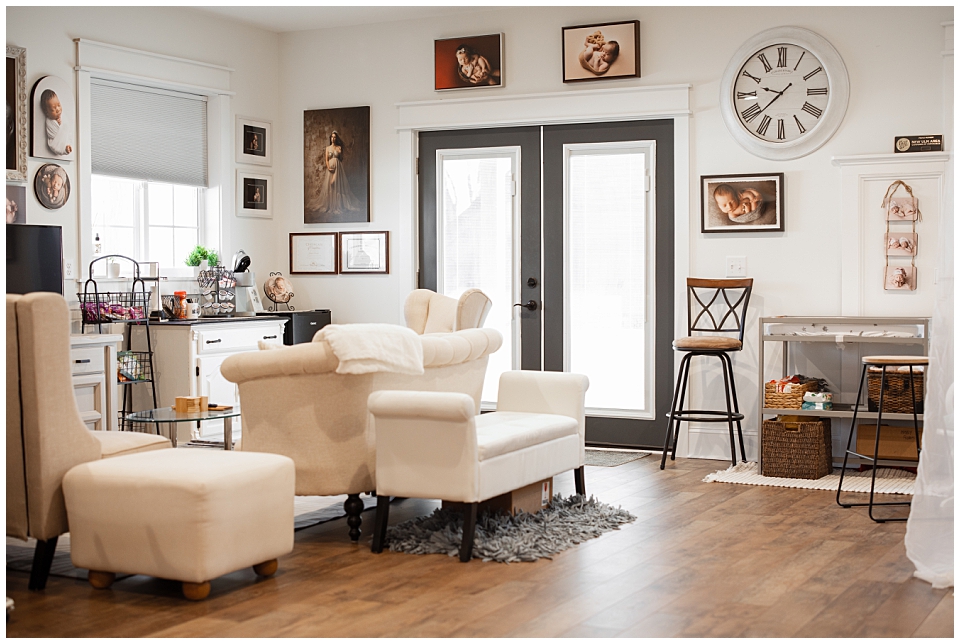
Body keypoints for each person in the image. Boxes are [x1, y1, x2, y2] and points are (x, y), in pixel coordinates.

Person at [306, 130, 360, 217]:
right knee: (331, 186)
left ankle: (338, 205)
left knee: (337, 185)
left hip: (338, 169)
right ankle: (331, 205)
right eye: (332, 137)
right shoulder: (328, 148)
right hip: (330, 170)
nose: (333, 139)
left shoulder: (339, 148)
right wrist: (329, 168)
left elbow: (340, 159)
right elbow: (327, 160)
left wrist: (336, 165)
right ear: (330, 138)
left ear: (336, 138)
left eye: (335, 137)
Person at [40, 89, 72, 157]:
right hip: (55, 143)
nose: (58, 109)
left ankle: (67, 148)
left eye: (59, 105)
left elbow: (67, 128)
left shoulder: (63, 117)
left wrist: (61, 124)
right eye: (53, 109)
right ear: (47, 113)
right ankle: (65, 149)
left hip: (65, 140)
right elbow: (52, 135)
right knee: (58, 146)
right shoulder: (49, 122)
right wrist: (58, 125)